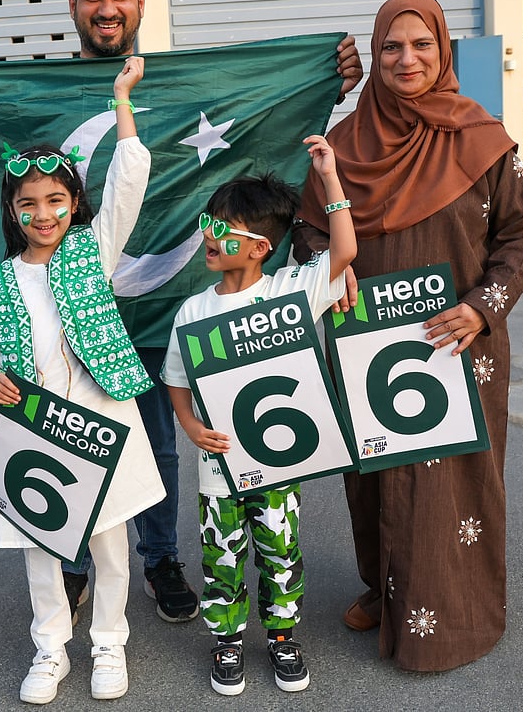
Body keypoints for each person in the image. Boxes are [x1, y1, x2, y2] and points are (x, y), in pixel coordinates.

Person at [59, 0, 368, 628]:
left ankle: (159, 557)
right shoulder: (44, 88)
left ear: (140, 2)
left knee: (164, 442)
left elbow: (260, 121)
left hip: (165, 298)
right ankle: (72, 560)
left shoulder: (179, 82)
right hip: (80, 306)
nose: (107, 8)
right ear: (74, 5)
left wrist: (324, 80)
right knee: (78, 434)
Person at [292, 0, 523, 672]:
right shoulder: (344, 144)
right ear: (374, 57)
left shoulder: (483, 137)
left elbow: (522, 232)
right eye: (391, 47)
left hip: (459, 341)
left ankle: (464, 606)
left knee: (456, 482)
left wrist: (483, 306)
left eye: (421, 44)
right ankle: (387, 589)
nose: (407, 59)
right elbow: (308, 227)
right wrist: (326, 266)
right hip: (366, 346)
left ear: (443, 50)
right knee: (375, 475)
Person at [0, 57, 164, 704]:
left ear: (74, 202)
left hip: (98, 421)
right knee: (41, 550)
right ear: (13, 209)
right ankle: (50, 647)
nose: (43, 213)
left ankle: (109, 641)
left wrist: (122, 99)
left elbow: (130, 180)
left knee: (109, 544)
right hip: (33, 430)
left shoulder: (91, 248)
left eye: (56, 200)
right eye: (29, 204)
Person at [162, 137, 356, 695]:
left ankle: (283, 638)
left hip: (276, 470)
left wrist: (330, 177)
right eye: (208, 223)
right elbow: (176, 378)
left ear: (259, 247)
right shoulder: (193, 310)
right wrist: (190, 425)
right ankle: (226, 642)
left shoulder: (291, 293)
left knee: (280, 553)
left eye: (221, 229)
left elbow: (342, 251)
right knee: (221, 559)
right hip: (216, 467)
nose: (209, 237)